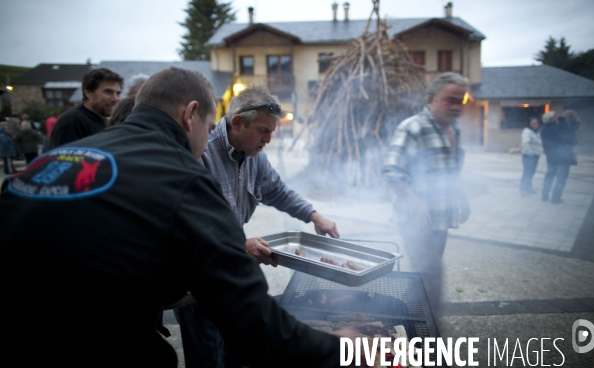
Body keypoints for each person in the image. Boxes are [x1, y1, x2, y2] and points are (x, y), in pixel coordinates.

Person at [0, 67, 351, 368]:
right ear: (191, 114)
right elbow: (255, 326)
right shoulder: (182, 176)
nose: (209, 135)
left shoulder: (53, 161)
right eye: (210, 124)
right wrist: (345, 349)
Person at [176, 86, 340, 368]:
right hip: (199, 279)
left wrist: (314, 215)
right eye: (263, 130)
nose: (268, 139)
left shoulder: (255, 156)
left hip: (230, 274)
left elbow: (278, 191)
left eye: (272, 131)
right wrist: (241, 246)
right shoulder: (200, 153)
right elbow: (186, 226)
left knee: (235, 353)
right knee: (206, 356)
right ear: (237, 122)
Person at [382, 72, 471, 323]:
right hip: (416, 219)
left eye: (460, 101)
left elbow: (451, 169)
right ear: (432, 98)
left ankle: (416, 321)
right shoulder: (413, 127)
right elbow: (391, 170)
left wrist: (462, 197)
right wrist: (415, 203)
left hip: (442, 217)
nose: (455, 107)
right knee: (429, 274)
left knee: (427, 273)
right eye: (449, 100)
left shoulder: (454, 128)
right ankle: (427, 330)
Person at [50, 67, 123, 149]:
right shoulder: (72, 122)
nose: (115, 99)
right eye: (108, 92)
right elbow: (66, 159)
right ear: (88, 93)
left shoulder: (103, 121)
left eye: (118, 93)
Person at [540, 110, 579, 203]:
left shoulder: (544, 129)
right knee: (561, 178)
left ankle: (544, 195)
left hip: (551, 157)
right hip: (562, 157)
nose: (557, 118)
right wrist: (566, 125)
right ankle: (556, 198)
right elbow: (571, 140)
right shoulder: (558, 129)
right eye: (555, 116)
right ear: (551, 119)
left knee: (549, 176)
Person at [519, 117, 543, 195]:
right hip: (529, 156)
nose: (535, 125)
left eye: (536, 123)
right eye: (533, 123)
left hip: (536, 155)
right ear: (529, 124)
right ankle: (523, 189)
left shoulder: (536, 132)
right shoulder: (527, 131)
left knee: (531, 172)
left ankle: (529, 188)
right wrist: (530, 153)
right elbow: (525, 144)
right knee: (527, 173)